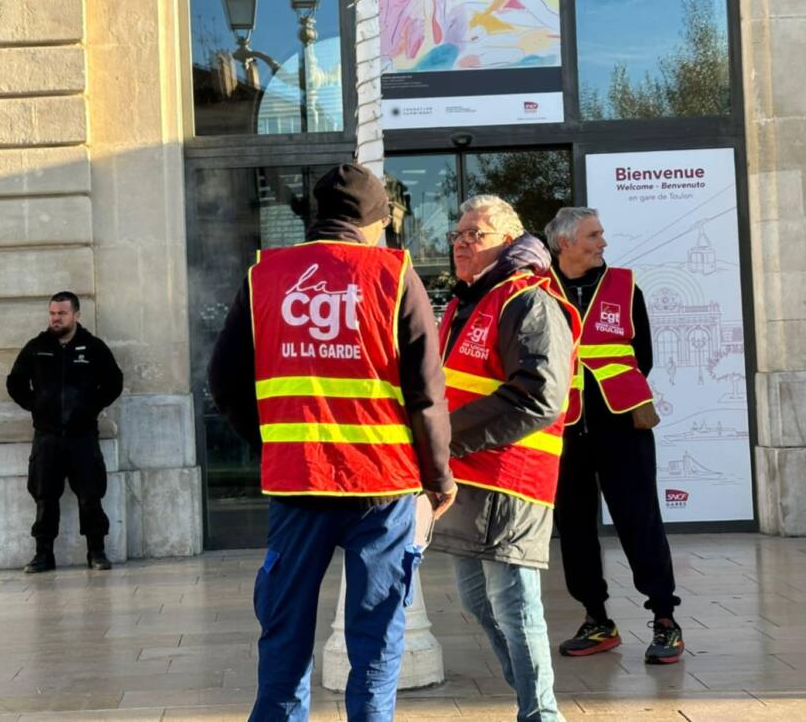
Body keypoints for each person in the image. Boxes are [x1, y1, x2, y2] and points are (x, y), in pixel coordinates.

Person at [208, 163, 455, 722]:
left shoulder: (266, 275)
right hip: (383, 486)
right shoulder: (394, 276)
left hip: (298, 482)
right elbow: (426, 393)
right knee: (375, 636)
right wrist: (438, 478)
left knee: (285, 629)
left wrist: (275, 442)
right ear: (372, 222)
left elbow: (224, 380)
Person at [432, 195, 579, 722]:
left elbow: (541, 395)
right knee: (477, 602)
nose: (462, 243)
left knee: (516, 608)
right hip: (468, 475)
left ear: (509, 242)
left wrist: (445, 435)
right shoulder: (464, 303)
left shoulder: (528, 300)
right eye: (459, 234)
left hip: (511, 479)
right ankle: (531, 701)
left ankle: (541, 714)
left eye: (477, 234)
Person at [544, 206, 684, 664]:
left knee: (639, 521)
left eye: (601, 233)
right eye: (593, 235)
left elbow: (641, 355)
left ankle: (665, 619)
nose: (602, 242)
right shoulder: (540, 289)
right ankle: (597, 619)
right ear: (565, 243)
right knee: (576, 527)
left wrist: (605, 389)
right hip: (565, 427)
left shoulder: (626, 286)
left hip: (622, 424)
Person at [7, 291, 123, 573]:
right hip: (47, 437)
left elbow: (114, 382)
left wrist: (91, 407)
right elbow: (15, 382)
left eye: (62, 313)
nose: (56, 318)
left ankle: (96, 552)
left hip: (82, 436)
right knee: (45, 497)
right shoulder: (37, 347)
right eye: (52, 313)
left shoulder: (93, 347)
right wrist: (36, 405)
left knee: (90, 495)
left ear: (76, 315)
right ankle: (43, 555)